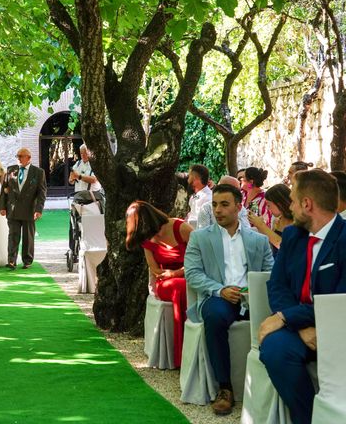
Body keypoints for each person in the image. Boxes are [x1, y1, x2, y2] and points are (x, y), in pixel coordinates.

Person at [259, 169, 346, 424]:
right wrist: (297, 325)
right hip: (301, 325)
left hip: (338, 327)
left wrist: (286, 317)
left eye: (293, 201)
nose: (291, 207)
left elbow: (339, 299)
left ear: (307, 204)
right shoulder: (293, 236)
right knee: (275, 349)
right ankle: (308, 419)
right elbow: (277, 286)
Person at [184, 184, 274, 416]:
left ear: (238, 206)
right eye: (214, 205)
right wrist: (220, 289)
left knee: (279, 318)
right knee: (214, 316)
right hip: (218, 298)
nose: (218, 210)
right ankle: (225, 388)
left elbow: (269, 273)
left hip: (251, 299)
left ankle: (270, 386)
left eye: (224, 204)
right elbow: (193, 274)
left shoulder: (258, 240)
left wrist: (253, 291)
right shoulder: (200, 238)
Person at [126, 201, 192, 368]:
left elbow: (200, 256)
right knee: (179, 287)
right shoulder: (147, 239)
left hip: (189, 274)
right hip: (165, 281)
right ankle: (181, 353)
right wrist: (169, 275)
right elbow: (154, 268)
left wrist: (177, 273)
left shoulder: (180, 227)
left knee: (183, 285)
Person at [0, 147, 47, 270]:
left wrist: (39, 210)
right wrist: (2, 206)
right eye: (18, 156)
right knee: (13, 236)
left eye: (21, 156)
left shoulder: (38, 172)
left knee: (28, 237)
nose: (19, 158)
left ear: (29, 158)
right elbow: (4, 190)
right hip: (13, 209)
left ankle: (27, 260)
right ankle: (11, 261)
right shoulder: (10, 170)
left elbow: (41, 193)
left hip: (29, 209)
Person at [248, 183, 293, 254]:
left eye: (269, 205)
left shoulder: (296, 222)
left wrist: (261, 226)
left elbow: (285, 247)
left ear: (279, 204)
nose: (268, 209)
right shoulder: (277, 220)